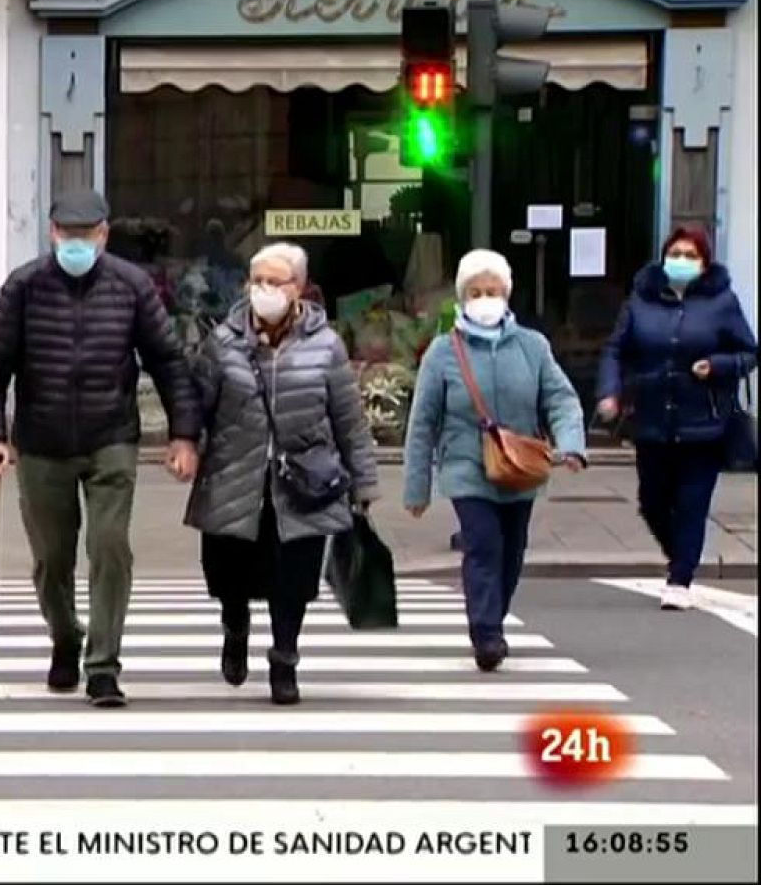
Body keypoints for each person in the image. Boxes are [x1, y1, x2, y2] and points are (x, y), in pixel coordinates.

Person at [0, 189, 201, 708]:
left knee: (109, 547)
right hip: (41, 441)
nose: (76, 243)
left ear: (104, 234)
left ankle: (102, 666)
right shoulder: (25, 287)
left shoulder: (131, 285)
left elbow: (168, 361)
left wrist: (184, 435)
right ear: (52, 234)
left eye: (86, 235)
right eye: (66, 235)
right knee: (52, 560)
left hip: (110, 438)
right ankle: (65, 636)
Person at [185, 242, 379, 705]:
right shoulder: (223, 341)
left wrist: (364, 480)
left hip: (304, 481)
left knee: (292, 577)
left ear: (300, 289)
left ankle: (284, 658)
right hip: (235, 475)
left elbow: (347, 418)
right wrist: (184, 445)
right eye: (259, 281)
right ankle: (235, 628)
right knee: (228, 571)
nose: (266, 290)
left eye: (277, 281)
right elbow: (196, 405)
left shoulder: (325, 344)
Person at [403, 249, 587, 670]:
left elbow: (560, 399)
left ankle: (494, 618)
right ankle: (486, 634)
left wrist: (572, 444)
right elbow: (422, 423)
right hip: (466, 468)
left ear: (506, 295)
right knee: (483, 546)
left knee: (512, 551)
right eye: (476, 292)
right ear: (462, 297)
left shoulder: (532, 346)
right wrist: (417, 489)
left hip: (520, 467)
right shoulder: (442, 352)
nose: (485, 299)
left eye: (493, 291)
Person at [597, 226, 757, 610]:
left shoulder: (721, 302)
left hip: (704, 421)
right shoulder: (641, 300)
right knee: (651, 500)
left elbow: (748, 352)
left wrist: (717, 365)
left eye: (690, 255)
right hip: (652, 418)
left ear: (704, 263)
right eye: (676, 253)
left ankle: (680, 578)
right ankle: (680, 553)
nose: (681, 261)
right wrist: (610, 393)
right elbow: (616, 349)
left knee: (692, 502)